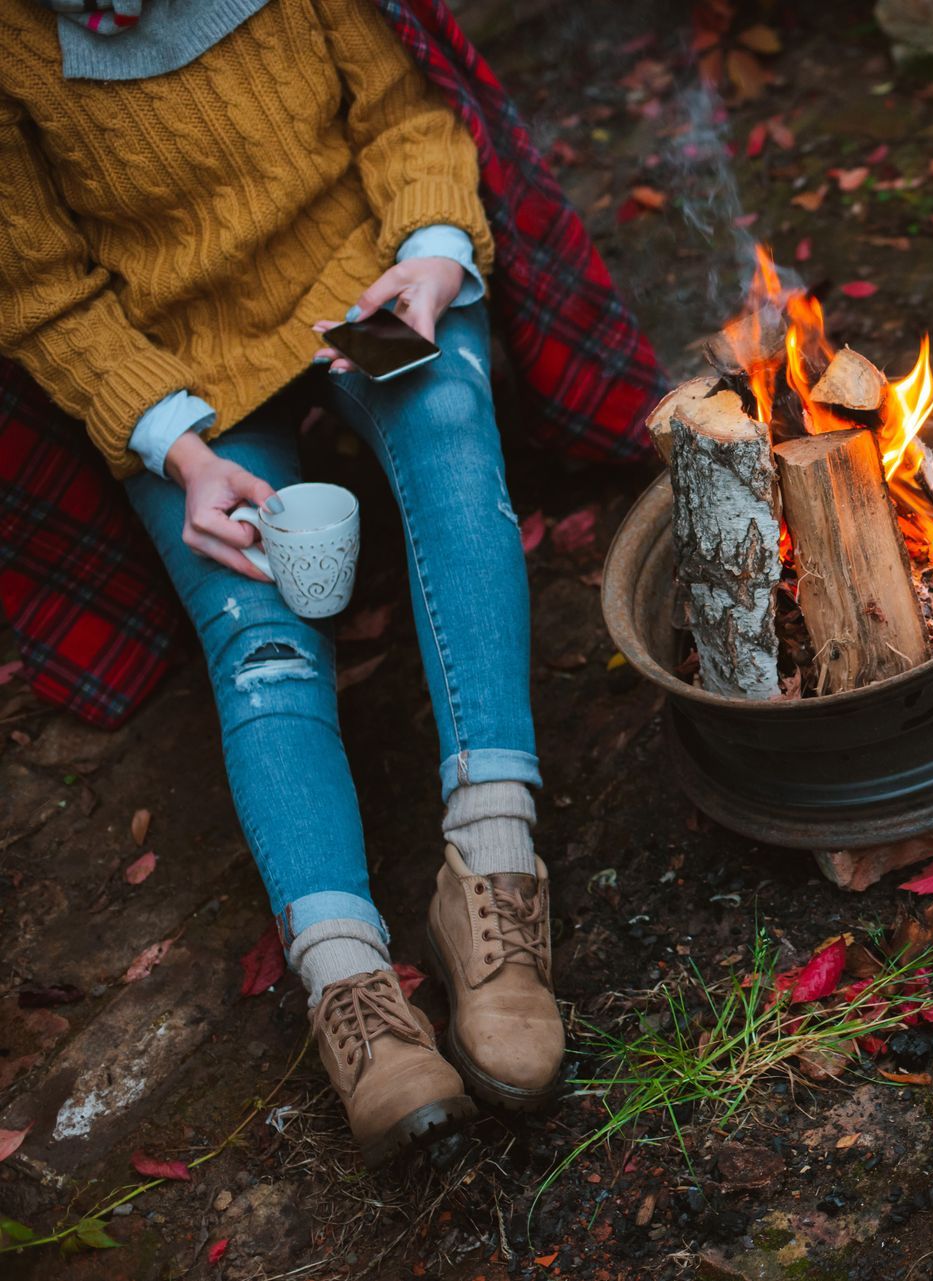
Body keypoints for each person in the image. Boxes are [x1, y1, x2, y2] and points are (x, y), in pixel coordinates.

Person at [0, 0, 630, 1165]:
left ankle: (491, 870)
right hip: (179, 373)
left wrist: (432, 255)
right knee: (257, 624)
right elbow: (40, 291)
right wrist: (178, 450)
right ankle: (348, 983)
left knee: (450, 443)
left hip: (361, 288)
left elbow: (402, 115)